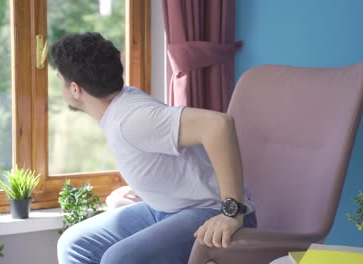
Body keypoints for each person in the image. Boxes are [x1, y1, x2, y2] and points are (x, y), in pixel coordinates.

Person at [51, 32, 257, 264]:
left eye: (60, 81)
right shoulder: (119, 106)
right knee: (74, 244)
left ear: (75, 89)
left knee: (118, 259)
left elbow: (219, 125)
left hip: (209, 210)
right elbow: (160, 155)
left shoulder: (130, 119)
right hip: (165, 208)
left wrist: (231, 212)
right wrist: (146, 187)